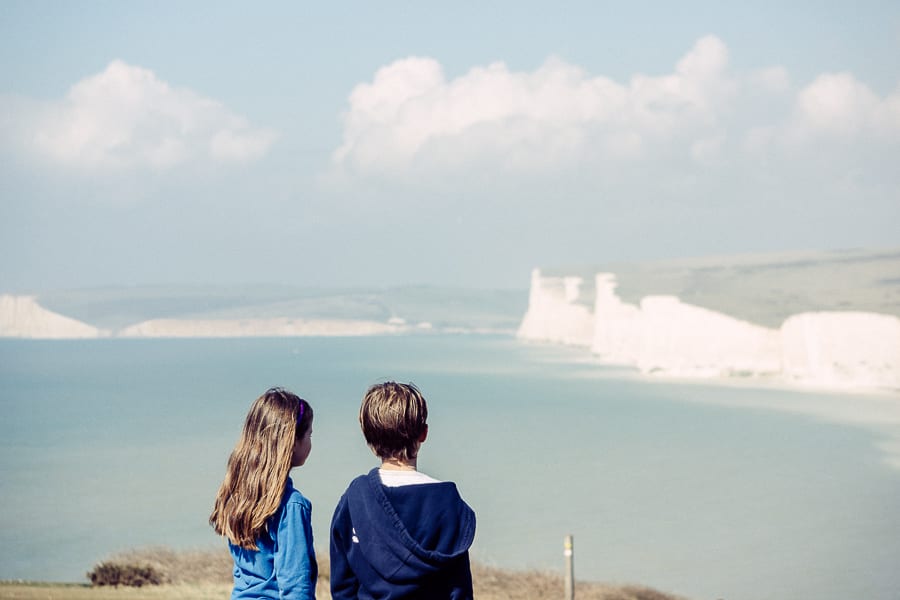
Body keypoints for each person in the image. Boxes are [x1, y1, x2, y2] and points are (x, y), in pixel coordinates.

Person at [330, 381, 476, 599]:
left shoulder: (355, 499)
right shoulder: (448, 504)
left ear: (367, 436)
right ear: (423, 434)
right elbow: (459, 589)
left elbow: (343, 585)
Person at [210, 388, 317, 599]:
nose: (311, 441)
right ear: (292, 442)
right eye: (309, 434)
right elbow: (296, 586)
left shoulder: (238, 495)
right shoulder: (292, 506)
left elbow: (244, 573)